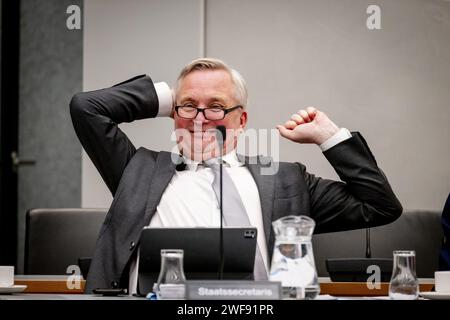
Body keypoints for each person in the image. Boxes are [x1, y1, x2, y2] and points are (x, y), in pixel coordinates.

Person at [70, 58, 402, 294]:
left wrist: (328, 136)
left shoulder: (286, 180)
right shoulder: (137, 169)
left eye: (216, 106)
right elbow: (87, 108)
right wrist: (172, 99)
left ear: (242, 121)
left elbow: (379, 206)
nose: (200, 118)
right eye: (188, 106)